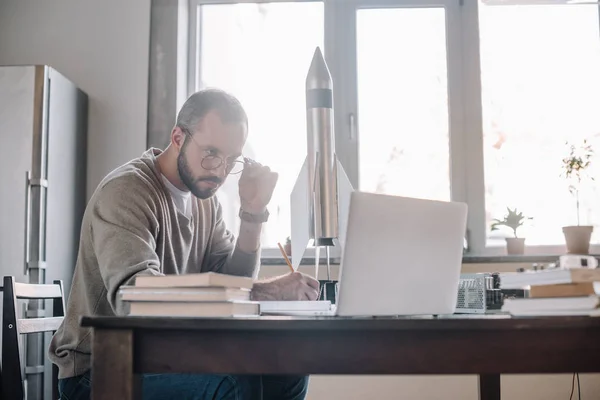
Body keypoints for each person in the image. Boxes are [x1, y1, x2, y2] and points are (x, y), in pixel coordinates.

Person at [48, 88, 320, 400]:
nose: (219, 171)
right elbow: (135, 298)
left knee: (286, 366)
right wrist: (267, 290)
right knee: (232, 383)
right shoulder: (126, 192)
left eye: (231, 160)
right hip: (101, 371)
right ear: (178, 137)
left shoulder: (206, 200)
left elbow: (234, 283)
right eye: (211, 153)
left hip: (167, 355)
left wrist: (253, 213)